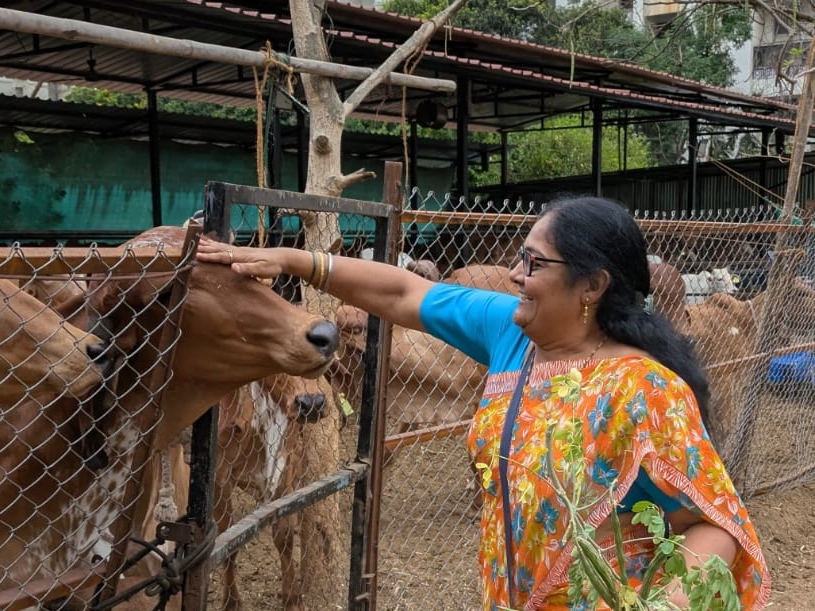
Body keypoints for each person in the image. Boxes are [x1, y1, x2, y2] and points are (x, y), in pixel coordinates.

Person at [197, 196, 771, 611]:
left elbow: (714, 527)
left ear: (591, 286)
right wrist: (294, 263)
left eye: (535, 263)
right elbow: (403, 292)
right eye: (520, 258)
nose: (516, 274)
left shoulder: (645, 390)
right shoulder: (512, 336)